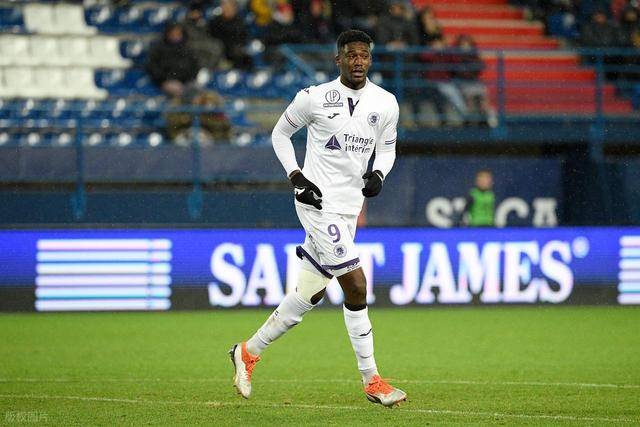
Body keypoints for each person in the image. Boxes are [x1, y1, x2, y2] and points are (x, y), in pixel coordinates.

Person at [229, 29, 407, 408]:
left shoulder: (386, 103)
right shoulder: (314, 97)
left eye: (364, 55)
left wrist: (379, 173)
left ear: (370, 60)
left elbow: (387, 149)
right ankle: (372, 379)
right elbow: (280, 134)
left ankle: (246, 351)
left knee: (308, 295)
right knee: (356, 286)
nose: (358, 62)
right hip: (316, 202)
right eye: (351, 55)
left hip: (348, 208)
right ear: (338, 59)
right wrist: (297, 177)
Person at [145, 22, 201, 100]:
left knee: (197, 90)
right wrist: (165, 78)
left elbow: (195, 67)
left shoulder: (188, 49)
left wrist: (188, 78)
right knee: (178, 90)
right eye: (173, 33)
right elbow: (152, 67)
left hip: (186, 81)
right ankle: (180, 106)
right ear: (168, 34)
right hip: (166, 81)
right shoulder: (159, 48)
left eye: (178, 34)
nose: (175, 36)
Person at [208, 0, 252, 69]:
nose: (226, 8)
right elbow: (212, 39)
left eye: (229, 6)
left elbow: (244, 38)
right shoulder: (215, 22)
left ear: (234, 8)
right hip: (221, 52)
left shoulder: (240, 22)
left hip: (237, 53)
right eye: (224, 6)